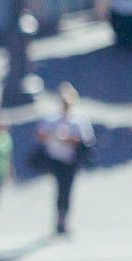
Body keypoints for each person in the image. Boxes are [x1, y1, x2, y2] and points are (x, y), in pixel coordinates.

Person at [36, 83, 95, 237]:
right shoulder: (52, 118)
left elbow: (86, 139)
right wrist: (53, 135)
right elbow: (40, 136)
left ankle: (63, 220)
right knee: (60, 189)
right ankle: (59, 219)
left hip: (71, 159)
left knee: (67, 190)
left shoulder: (79, 118)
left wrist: (68, 138)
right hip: (55, 158)